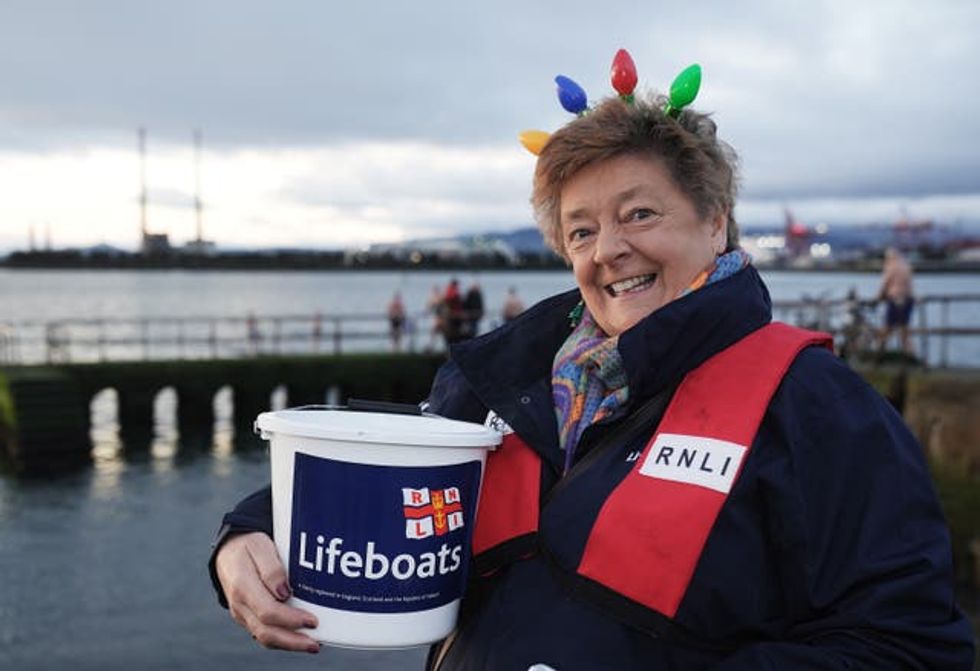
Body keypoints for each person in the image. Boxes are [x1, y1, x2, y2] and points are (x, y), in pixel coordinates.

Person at [208, 52, 975, 668]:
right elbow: (382, 462)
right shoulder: (502, 382)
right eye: (581, 231)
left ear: (715, 222)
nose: (609, 249)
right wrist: (245, 535)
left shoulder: (816, 406)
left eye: (639, 213)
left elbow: (907, 644)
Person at [877, 246, 915, 355]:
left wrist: (878, 297)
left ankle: (879, 354)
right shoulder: (906, 266)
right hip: (908, 300)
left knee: (887, 328)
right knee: (904, 330)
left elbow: (885, 284)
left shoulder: (891, 267)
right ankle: (910, 355)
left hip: (895, 299)